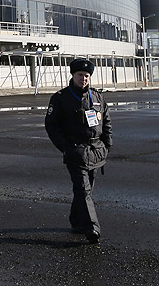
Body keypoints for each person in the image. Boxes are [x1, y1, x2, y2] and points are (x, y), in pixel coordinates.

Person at [44, 58, 112, 243]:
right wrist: (65, 148)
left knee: (84, 189)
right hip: (75, 150)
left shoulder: (97, 97)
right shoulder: (61, 98)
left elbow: (105, 121)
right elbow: (52, 126)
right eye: (80, 75)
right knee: (83, 189)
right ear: (73, 75)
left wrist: (107, 145)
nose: (84, 79)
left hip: (96, 150)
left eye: (87, 76)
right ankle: (92, 227)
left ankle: (76, 221)